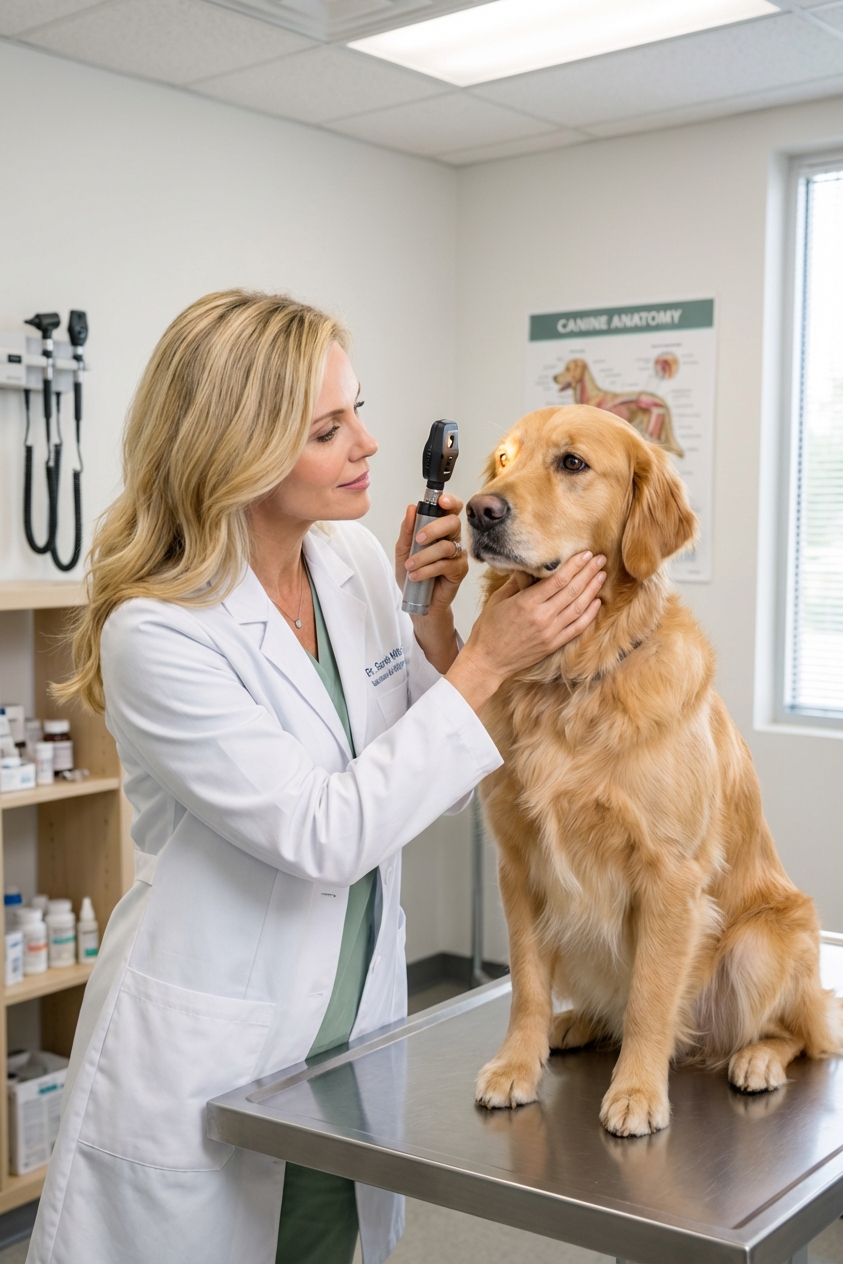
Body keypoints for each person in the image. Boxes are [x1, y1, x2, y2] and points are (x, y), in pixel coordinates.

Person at [27, 291, 606, 1264]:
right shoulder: (157, 635)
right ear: (237, 448)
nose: (369, 445)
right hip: (209, 1058)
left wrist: (432, 627)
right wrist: (489, 662)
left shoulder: (343, 563)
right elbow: (326, 833)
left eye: (359, 412)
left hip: (345, 1047)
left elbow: (438, 772)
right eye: (328, 429)